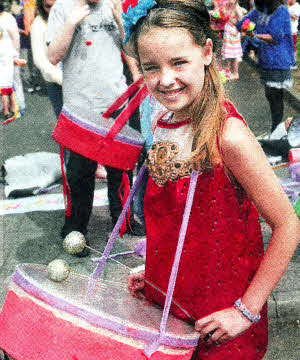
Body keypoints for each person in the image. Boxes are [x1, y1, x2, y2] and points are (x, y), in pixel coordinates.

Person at [125, 0, 300, 358]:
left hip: (220, 320)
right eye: (151, 67)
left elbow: (287, 226)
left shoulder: (228, 136)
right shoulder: (163, 123)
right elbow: (179, 224)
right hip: (170, 304)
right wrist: (156, 270)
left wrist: (245, 311)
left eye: (178, 62)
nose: (165, 79)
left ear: (206, 52)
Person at [47, 0, 140, 255]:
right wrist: (70, 24)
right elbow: (52, 56)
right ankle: (76, 228)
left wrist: (122, 22)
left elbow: (132, 50)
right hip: (80, 106)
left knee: (120, 171)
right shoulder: (62, 8)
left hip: (116, 101)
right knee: (80, 174)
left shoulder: (114, 5)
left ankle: (124, 223)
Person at [237, 0, 294, 134]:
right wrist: (236, 18)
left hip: (279, 60)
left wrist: (254, 35)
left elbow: (276, 37)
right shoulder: (260, 11)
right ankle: (276, 130)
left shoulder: (281, 11)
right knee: (270, 96)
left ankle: (276, 130)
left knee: (275, 97)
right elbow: (242, 24)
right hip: (266, 60)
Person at [31, 0, 63, 118]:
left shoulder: (71, 17)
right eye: (48, 7)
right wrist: (62, 79)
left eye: (57, 5)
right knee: (65, 126)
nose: (54, 10)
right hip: (56, 84)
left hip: (80, 81)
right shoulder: (39, 24)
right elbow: (39, 59)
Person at [0, 3, 21, 121]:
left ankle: (16, 107)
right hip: (4, 56)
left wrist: (15, 54)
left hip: (8, 56)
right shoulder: (7, 18)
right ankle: (7, 108)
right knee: (4, 84)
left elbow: (15, 37)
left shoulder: (8, 18)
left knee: (12, 82)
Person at [221, 0, 245, 81]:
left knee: (234, 55)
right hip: (228, 32)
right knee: (228, 53)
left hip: (234, 32)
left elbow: (243, 23)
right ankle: (227, 70)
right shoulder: (228, 6)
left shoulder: (237, 9)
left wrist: (238, 31)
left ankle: (235, 74)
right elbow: (226, 18)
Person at [288, 0, 300, 69]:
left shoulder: (297, 7)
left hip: (292, 30)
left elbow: (295, 18)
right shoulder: (287, 5)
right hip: (285, 30)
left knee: (292, 47)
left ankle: (293, 64)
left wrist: (287, 11)